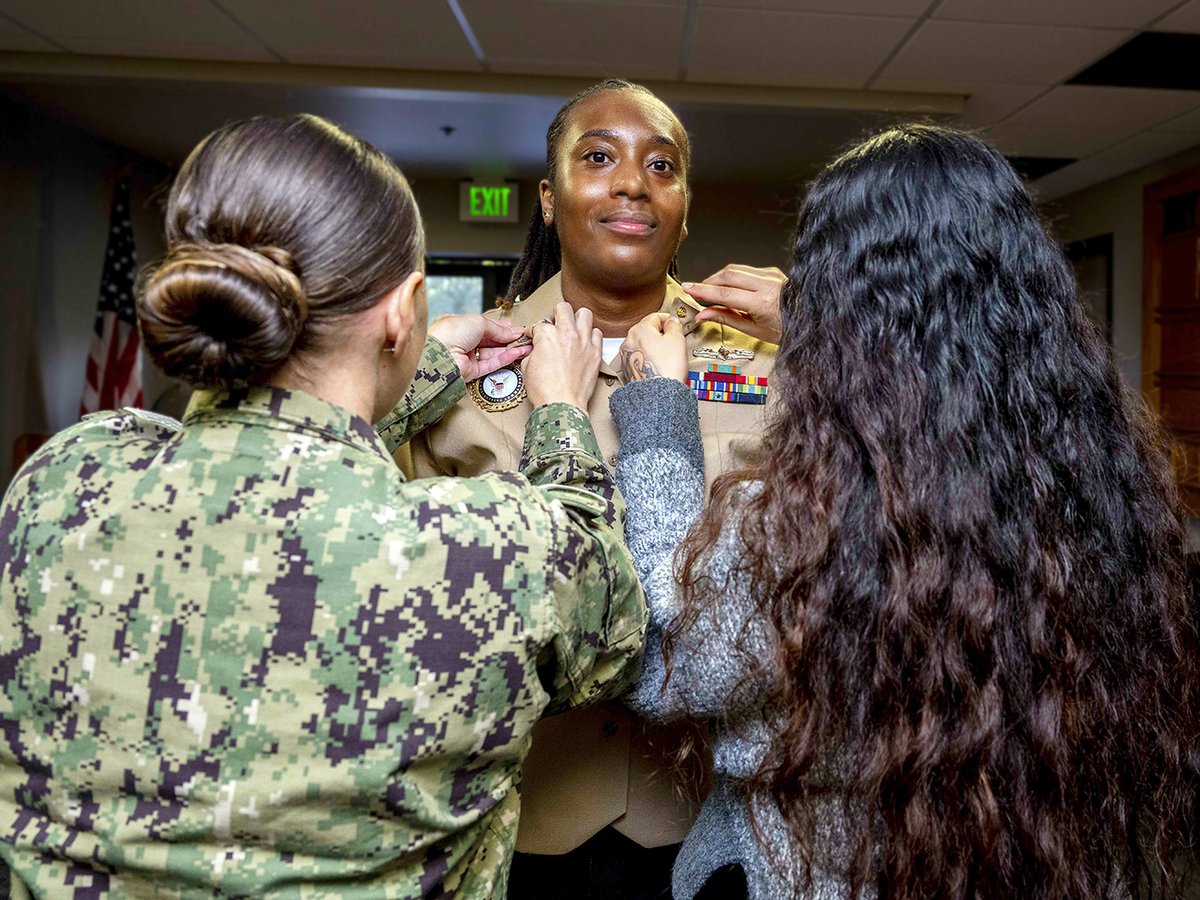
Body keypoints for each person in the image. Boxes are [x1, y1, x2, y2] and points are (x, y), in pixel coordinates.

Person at [0, 113, 648, 898]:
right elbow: (612, 624)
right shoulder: (488, 551)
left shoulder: (64, 481)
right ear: (401, 308)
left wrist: (420, 364)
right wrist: (560, 414)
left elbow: (271, 440)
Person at [611, 124, 1199, 899]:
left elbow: (670, 664)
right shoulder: (1100, 490)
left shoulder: (801, 520)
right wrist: (820, 328)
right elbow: (936, 367)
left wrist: (657, 412)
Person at [397, 78, 781, 896]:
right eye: (598, 158)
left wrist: (835, 333)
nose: (632, 183)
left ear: (684, 203)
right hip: (518, 815)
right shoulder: (458, 368)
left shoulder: (771, 363)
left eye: (662, 166)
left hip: (713, 819)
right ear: (548, 197)